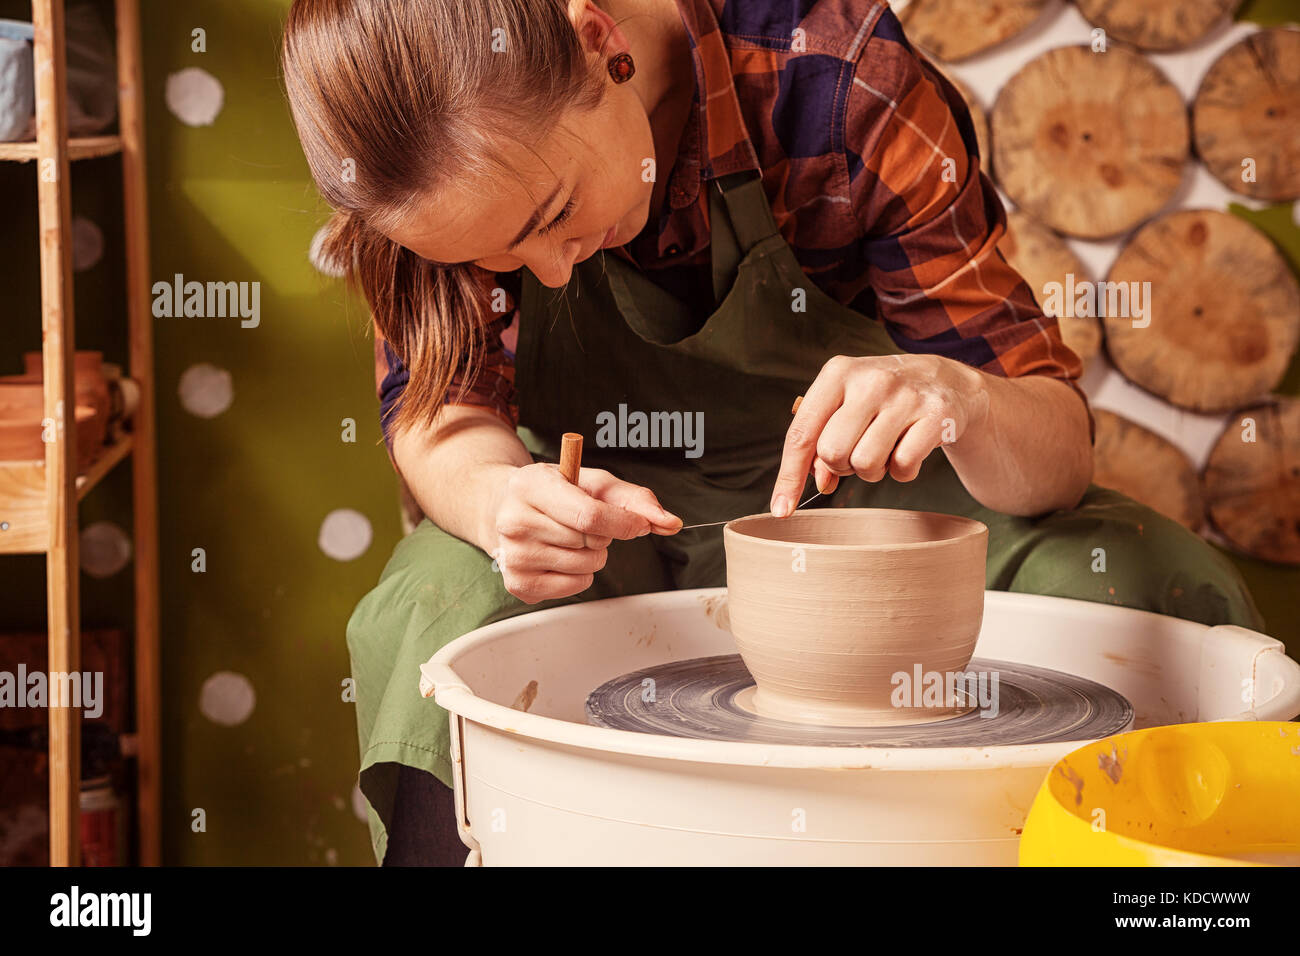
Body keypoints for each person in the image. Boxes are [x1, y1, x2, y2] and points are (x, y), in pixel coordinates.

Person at [282, 0, 1261, 865]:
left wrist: (956, 393)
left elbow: (1056, 447)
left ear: (599, 43)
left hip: (867, 494)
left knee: (1142, 579)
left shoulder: (834, 80)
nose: (543, 273)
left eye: (554, 214)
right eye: (497, 256)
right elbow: (438, 414)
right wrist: (501, 499)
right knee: (433, 600)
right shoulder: (412, 168)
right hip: (613, 519)